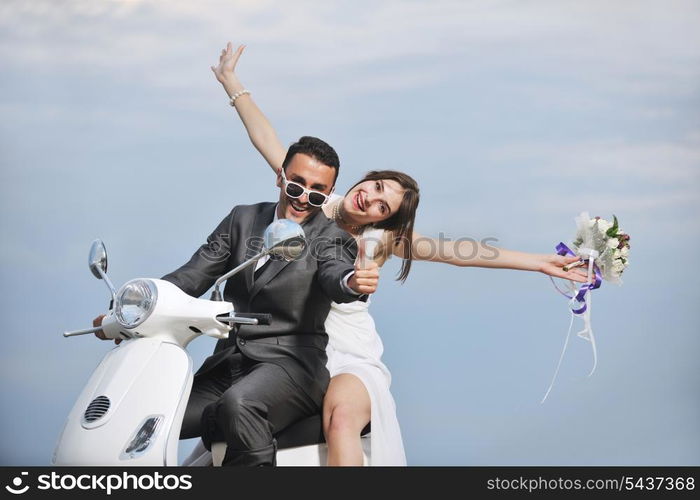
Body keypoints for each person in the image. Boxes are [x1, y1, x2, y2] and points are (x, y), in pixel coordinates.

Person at [208, 43, 591, 466]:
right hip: (283, 349)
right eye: (375, 187)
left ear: (386, 220)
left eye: (383, 206)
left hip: (343, 352)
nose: (370, 200)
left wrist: (539, 262)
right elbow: (269, 142)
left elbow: (459, 253)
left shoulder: (380, 240)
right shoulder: (315, 197)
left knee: (341, 423)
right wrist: (231, 81)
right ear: (365, 179)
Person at [96, 135, 381, 466]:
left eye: (317, 192)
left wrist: (352, 282)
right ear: (281, 177)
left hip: (290, 369)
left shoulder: (332, 239)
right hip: (227, 367)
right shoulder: (242, 220)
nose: (304, 198)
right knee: (144, 409)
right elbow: (191, 276)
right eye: (296, 185)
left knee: (239, 405)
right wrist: (133, 311)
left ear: (328, 194)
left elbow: (337, 276)